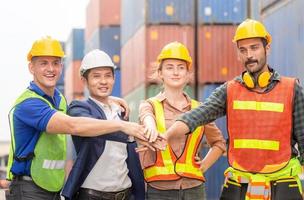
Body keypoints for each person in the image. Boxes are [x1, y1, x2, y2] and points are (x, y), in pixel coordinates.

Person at [163, 19, 304, 200]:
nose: (249, 55)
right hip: (240, 188)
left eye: (254, 48)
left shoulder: (291, 89)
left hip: (282, 187)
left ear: (267, 48)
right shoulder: (229, 90)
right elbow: (197, 115)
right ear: (238, 54)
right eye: (243, 50)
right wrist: (166, 136)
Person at [5, 37, 147, 200]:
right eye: (43, 63)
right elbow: (73, 125)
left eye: (55, 63)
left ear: (61, 67)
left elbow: (85, 114)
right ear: (32, 67)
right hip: (28, 188)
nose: (51, 69)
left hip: (52, 187)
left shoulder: (58, 100)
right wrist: (122, 126)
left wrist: (109, 100)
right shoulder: (29, 104)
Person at [138, 41, 226, 200]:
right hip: (159, 190)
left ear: (187, 74)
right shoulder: (149, 105)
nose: (176, 72)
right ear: (160, 73)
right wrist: (150, 127)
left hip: (194, 190)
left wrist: (204, 164)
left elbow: (219, 143)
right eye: (169, 67)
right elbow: (146, 117)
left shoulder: (200, 109)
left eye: (181, 67)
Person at [61, 49, 145, 200]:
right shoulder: (78, 109)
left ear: (114, 78)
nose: (103, 81)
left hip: (126, 194)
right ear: (84, 81)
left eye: (108, 76)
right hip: (92, 196)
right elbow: (93, 127)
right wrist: (124, 128)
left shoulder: (120, 111)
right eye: (96, 76)